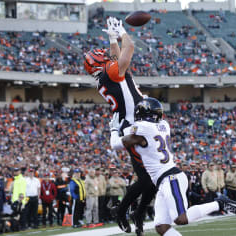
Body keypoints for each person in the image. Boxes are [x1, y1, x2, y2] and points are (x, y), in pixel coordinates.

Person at [109, 97, 236, 236]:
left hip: (170, 178)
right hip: (164, 180)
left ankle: (219, 204)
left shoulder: (143, 129)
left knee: (181, 218)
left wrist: (114, 128)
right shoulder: (164, 125)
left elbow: (115, 144)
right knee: (161, 226)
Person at [84, 16, 155, 234]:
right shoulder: (111, 72)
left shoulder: (106, 74)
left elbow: (116, 56)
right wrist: (122, 31)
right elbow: (130, 48)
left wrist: (113, 38)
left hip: (134, 122)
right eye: (103, 56)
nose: (107, 56)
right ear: (98, 62)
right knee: (150, 177)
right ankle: (124, 210)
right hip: (134, 125)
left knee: (152, 176)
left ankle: (137, 213)